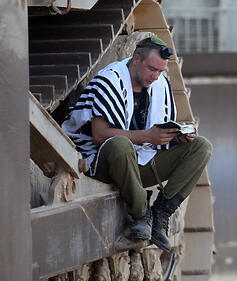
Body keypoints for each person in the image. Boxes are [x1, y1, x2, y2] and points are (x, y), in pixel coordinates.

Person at [62, 35, 212, 252]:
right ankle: (141, 212)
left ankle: (161, 214)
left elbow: (154, 134)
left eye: (160, 71)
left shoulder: (160, 84)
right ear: (135, 59)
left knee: (201, 147)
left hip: (141, 159)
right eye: (151, 69)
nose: (155, 76)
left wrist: (174, 137)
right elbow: (100, 135)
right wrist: (148, 137)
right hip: (103, 161)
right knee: (120, 145)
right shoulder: (110, 80)